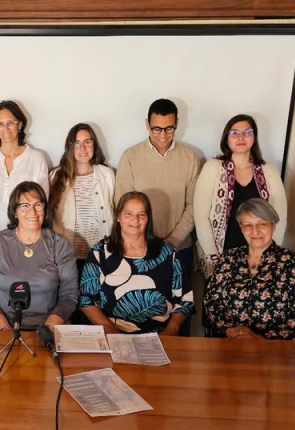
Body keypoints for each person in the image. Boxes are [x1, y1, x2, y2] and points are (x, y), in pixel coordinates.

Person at [114, 99, 200, 317]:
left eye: (169, 128)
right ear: (147, 124)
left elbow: (194, 206)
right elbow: (123, 206)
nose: (163, 135)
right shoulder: (131, 156)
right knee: (140, 315)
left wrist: (171, 243)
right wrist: (144, 244)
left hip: (180, 249)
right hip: (138, 251)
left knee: (179, 315)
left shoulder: (190, 157)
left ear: (177, 123)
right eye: (156, 129)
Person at [80, 191, 192, 334]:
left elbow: (185, 300)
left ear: (148, 219)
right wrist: (110, 330)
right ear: (118, 217)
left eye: (142, 214)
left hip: (160, 335)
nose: (135, 220)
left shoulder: (168, 253)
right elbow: (86, 299)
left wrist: (172, 330)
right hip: (111, 333)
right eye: (128, 214)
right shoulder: (99, 252)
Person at [193, 114, 287, 278]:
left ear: (254, 137)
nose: (241, 137)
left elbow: (280, 217)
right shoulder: (213, 168)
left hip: (258, 255)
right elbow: (201, 217)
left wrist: (269, 255)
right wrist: (214, 258)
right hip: (220, 253)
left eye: (247, 132)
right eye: (234, 133)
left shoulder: (268, 171)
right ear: (226, 139)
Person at [204, 199, 295, 340]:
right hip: (232, 342)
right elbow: (212, 304)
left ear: (273, 226)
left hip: (277, 347)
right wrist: (231, 331)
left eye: (262, 224)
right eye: (248, 225)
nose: (255, 231)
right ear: (241, 228)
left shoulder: (292, 262)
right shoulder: (228, 259)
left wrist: (260, 338)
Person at [0, 181, 78, 330]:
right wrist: (5, 330)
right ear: (15, 211)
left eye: (38, 205)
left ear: (45, 210)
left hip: (49, 326)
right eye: (25, 206)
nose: (32, 212)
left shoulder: (60, 244)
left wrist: (45, 331)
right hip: (3, 326)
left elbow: (69, 296)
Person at [0, 100, 49, 252]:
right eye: (0, 124)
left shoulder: (36, 158)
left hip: (26, 246)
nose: (5, 128)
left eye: (10, 123)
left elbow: (41, 205)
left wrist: (27, 242)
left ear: (20, 125)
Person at [49, 123, 115, 273]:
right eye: (77, 143)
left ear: (94, 144)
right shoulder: (56, 176)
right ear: (70, 147)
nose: (82, 148)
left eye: (87, 142)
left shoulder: (107, 175)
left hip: (103, 255)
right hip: (68, 257)